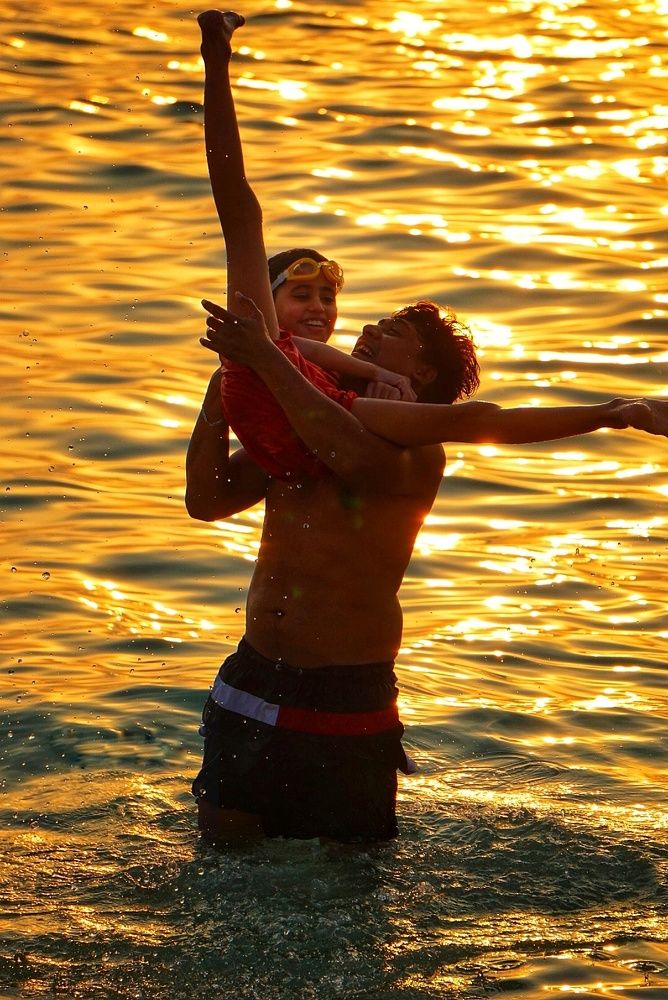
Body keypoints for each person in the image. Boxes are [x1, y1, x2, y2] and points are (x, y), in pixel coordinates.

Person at [187, 10, 668, 844]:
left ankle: (616, 410)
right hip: (250, 680)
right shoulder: (308, 418)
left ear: (426, 381)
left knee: (347, 892)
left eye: (393, 336)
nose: (365, 330)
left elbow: (477, 421)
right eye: (366, 328)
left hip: (345, 699)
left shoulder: (406, 457)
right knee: (220, 876)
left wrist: (611, 412)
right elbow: (205, 501)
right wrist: (222, 384)